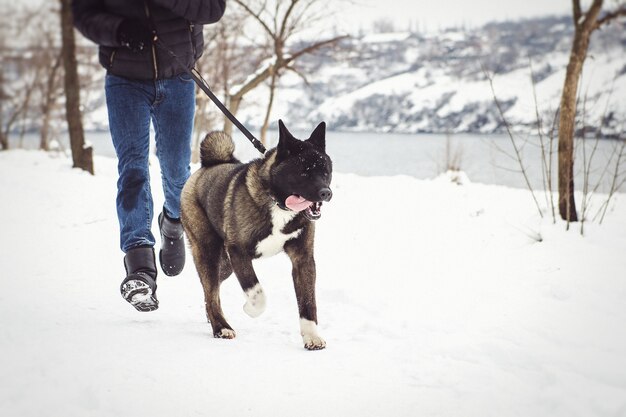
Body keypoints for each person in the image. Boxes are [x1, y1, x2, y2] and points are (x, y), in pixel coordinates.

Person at [72, 0, 226, 312]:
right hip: (124, 78)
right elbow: (84, 14)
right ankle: (140, 268)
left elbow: (213, 9)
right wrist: (120, 30)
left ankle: (173, 224)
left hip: (178, 76)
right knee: (132, 170)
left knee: (176, 171)